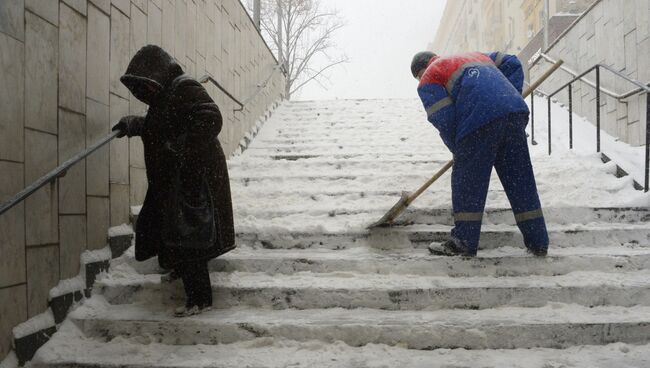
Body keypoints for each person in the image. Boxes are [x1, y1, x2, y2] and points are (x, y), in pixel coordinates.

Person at [112, 45, 236, 316]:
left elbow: (211, 117)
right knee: (176, 231)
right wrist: (134, 124)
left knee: (189, 236)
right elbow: (162, 124)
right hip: (177, 179)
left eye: (146, 86)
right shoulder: (166, 96)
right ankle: (180, 271)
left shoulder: (185, 86)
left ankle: (199, 298)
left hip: (193, 178)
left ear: (157, 73)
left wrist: (180, 147)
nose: (145, 93)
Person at [410, 50, 549, 257]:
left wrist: (460, 151)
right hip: (513, 113)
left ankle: (464, 241)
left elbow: (443, 118)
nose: (421, 79)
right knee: (520, 181)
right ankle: (538, 242)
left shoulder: (430, 76)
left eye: (418, 76)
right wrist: (509, 94)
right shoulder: (475, 55)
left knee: (468, 183)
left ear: (421, 70)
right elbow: (512, 62)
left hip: (478, 120)